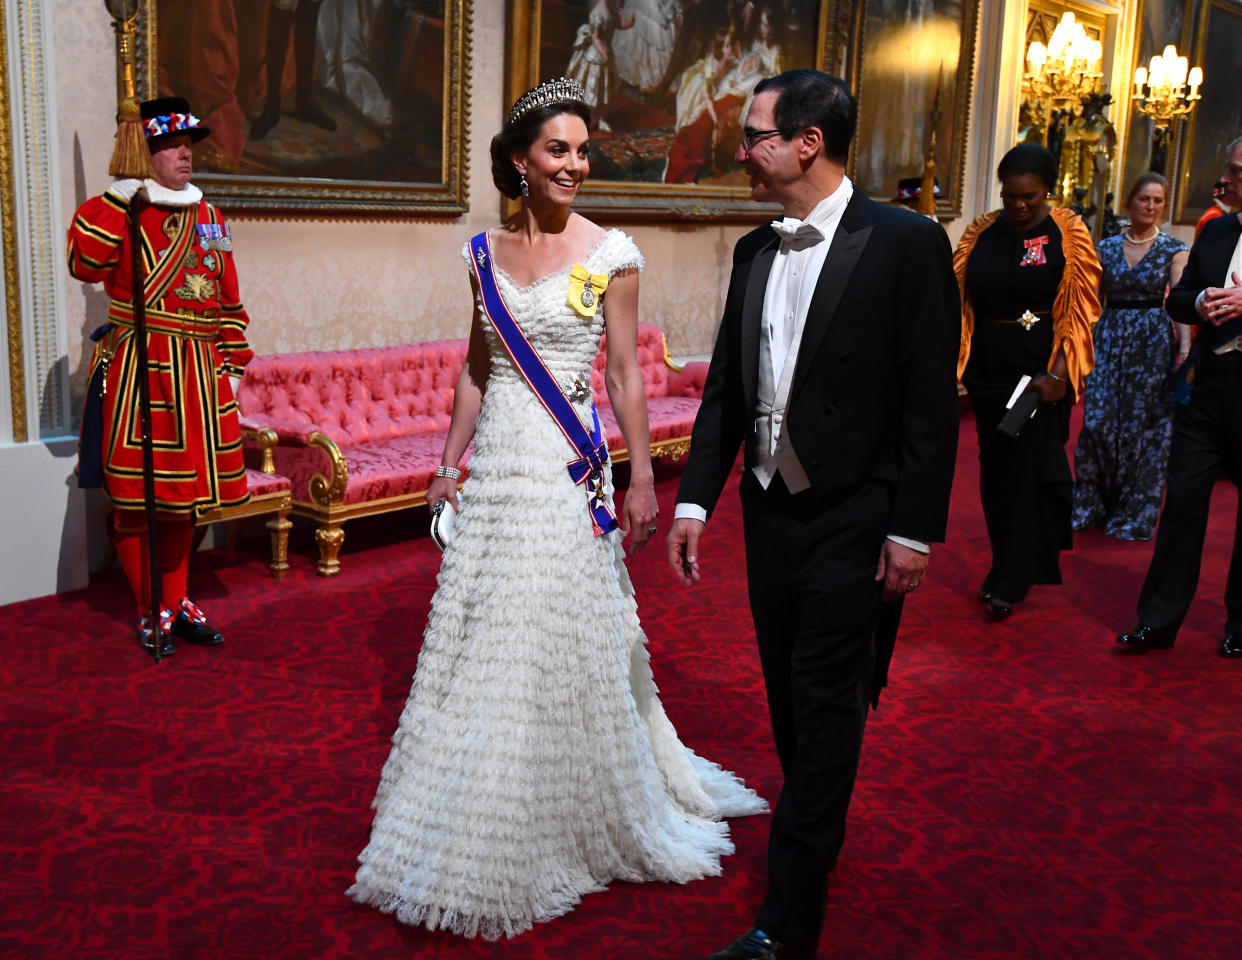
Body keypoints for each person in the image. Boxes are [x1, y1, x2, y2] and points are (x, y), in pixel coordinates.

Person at [347, 77, 766, 940]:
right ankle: (481, 808)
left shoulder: (612, 253)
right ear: (518, 161)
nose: (575, 164)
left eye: (583, 149)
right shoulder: (480, 255)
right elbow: (475, 369)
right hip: (498, 462)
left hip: (567, 468)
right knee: (486, 633)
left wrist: (646, 479)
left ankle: (566, 811)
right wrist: (445, 464)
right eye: (558, 150)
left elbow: (622, 377)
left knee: (552, 628)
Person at [667, 70, 961, 960]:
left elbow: (928, 401)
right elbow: (726, 389)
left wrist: (912, 530)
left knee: (827, 704)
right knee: (792, 705)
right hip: (769, 514)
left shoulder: (906, 242)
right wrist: (694, 500)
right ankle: (816, 831)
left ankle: (784, 927)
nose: (742, 149)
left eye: (755, 134)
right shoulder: (756, 250)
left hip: (855, 519)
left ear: (806, 143)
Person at [67, 96, 254, 655]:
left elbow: (229, 302)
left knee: (183, 500)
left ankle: (175, 602)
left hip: (198, 376)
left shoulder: (212, 218)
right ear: (142, 153)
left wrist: (232, 368)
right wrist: (115, 198)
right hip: (143, 372)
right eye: (170, 145)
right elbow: (85, 263)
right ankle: (152, 608)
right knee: (137, 500)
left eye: (187, 145)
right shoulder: (120, 211)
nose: (183, 154)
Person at [954, 143, 1100, 620]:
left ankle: (1012, 577)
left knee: (1027, 476)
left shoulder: (1067, 233)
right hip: (989, 375)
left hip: (1041, 376)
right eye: (1010, 196)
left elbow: (1080, 308)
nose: (1018, 205)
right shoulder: (981, 233)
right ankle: (1006, 563)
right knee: (996, 473)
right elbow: (956, 299)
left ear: (1047, 193)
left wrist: (1059, 373)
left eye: (1029, 198)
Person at [1117, 135, 1242, 658]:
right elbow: (1180, 298)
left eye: (1237, 170)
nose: (1228, 179)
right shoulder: (1216, 231)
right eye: (1231, 168)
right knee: (1182, 507)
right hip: (1207, 390)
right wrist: (1204, 301)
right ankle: (1158, 621)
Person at [1071, 173, 1189, 540]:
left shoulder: (1174, 248)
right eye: (1144, 199)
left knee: (1144, 427)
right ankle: (1091, 502)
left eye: (1157, 201)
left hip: (1152, 341)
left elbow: (1181, 300)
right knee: (1098, 422)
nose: (1151, 207)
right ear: (1129, 203)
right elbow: (1090, 301)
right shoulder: (1104, 247)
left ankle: (1134, 510)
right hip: (1108, 337)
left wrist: (1185, 345)